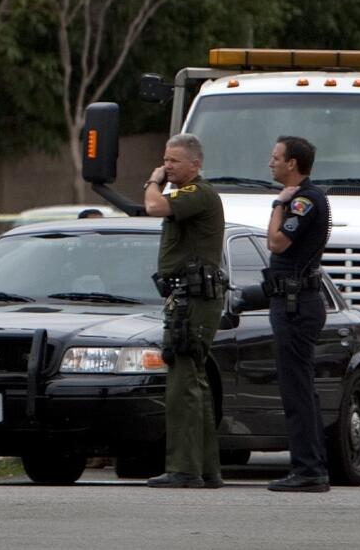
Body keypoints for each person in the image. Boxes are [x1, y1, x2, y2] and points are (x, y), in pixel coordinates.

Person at [142, 134, 226, 490]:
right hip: (185, 297)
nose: (167, 166)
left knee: (182, 383)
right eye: (165, 159)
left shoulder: (198, 193)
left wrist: (152, 180)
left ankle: (184, 468)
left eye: (174, 161)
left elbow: (154, 207)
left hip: (193, 299)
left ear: (195, 164)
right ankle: (204, 468)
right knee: (194, 381)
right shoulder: (184, 195)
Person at [264, 136, 332, 492]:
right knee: (299, 387)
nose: (270, 163)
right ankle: (311, 466)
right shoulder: (304, 198)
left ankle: (308, 470)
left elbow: (276, 242)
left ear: (292, 164)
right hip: (293, 302)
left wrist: (279, 204)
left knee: (297, 389)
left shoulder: (303, 199)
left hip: (296, 305)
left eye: (275, 157)